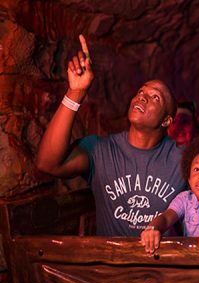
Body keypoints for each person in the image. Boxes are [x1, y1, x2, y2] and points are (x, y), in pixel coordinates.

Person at [36, 35, 186, 236]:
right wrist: (76, 93)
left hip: (161, 266)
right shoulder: (101, 150)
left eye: (155, 97)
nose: (142, 96)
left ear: (166, 121)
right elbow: (47, 163)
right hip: (111, 265)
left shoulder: (182, 159)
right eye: (141, 91)